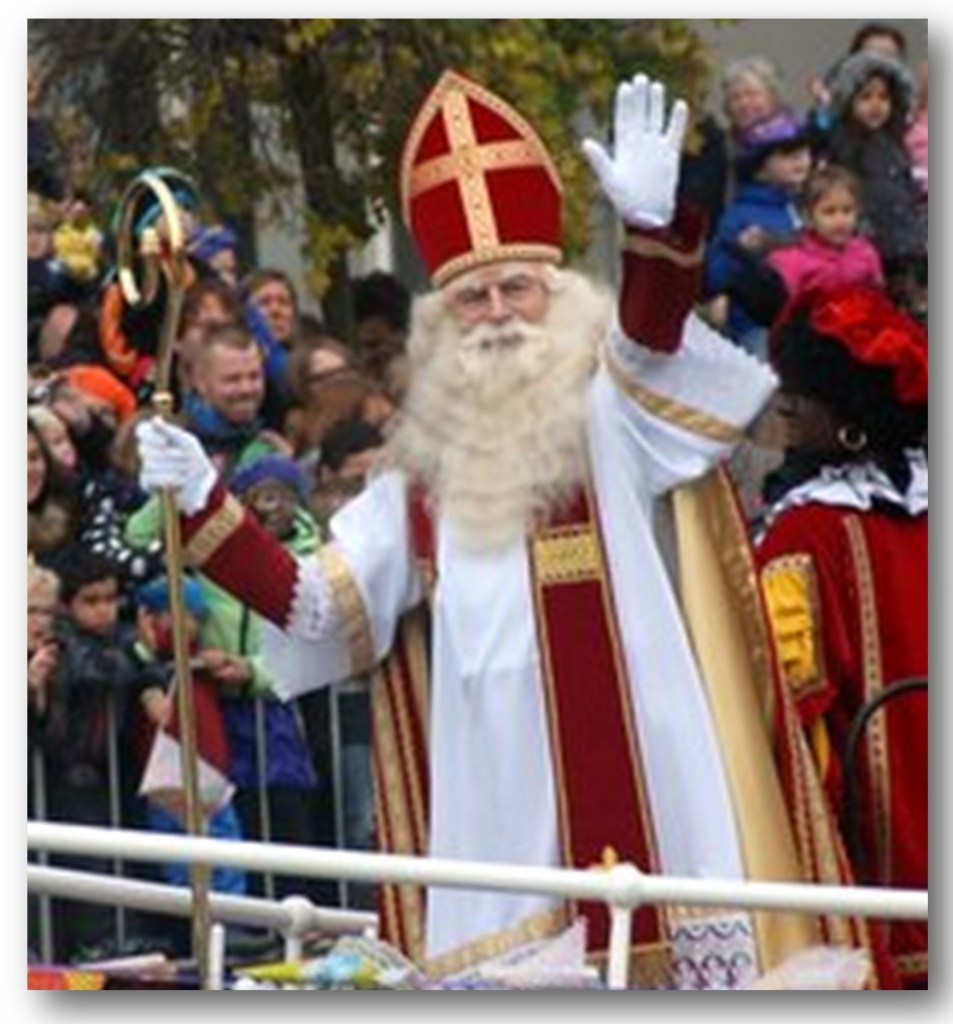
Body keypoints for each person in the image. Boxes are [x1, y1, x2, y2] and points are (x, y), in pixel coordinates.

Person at [136, 71, 878, 987]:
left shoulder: (612, 404)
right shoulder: (417, 472)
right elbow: (314, 605)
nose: (494, 315)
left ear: (558, 295)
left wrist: (653, 234)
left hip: (655, 785)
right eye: (471, 298)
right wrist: (202, 501)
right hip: (497, 812)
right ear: (439, 321)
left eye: (516, 289)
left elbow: (651, 339)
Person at [756, 284, 927, 989]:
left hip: (879, 844)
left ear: (851, 419)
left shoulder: (806, 532)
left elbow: (787, 706)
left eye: (801, 397)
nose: (786, 410)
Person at [199, 454, 329, 905]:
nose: (272, 508)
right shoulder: (217, 549)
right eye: (261, 497)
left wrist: (252, 671)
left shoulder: (315, 561)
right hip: (218, 705)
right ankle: (249, 916)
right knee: (234, 818)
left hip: (280, 710)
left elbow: (314, 644)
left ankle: (297, 912)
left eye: (283, 497)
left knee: (288, 811)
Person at [33, 546, 139, 962]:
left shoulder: (120, 639)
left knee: (109, 855)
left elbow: (137, 665)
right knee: (80, 860)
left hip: (105, 767)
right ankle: (89, 942)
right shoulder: (63, 644)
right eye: (91, 601)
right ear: (68, 605)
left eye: (111, 599)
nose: (104, 611)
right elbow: (101, 672)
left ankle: (110, 935)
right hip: (66, 766)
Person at [704, 108, 813, 357]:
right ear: (759, 168)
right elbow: (716, 272)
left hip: (805, 322)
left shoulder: (807, 205)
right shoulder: (741, 215)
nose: (801, 160)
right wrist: (744, 254)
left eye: (804, 152)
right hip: (757, 325)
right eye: (787, 154)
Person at [825, 51, 925, 304]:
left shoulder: (894, 144)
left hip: (904, 246)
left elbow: (907, 190)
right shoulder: (843, 145)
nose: (876, 105)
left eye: (883, 97)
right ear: (848, 101)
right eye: (866, 97)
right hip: (866, 248)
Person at [763, 165, 885, 309]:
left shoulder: (865, 252)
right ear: (808, 217)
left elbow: (878, 296)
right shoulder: (793, 260)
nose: (840, 220)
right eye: (829, 212)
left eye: (847, 211)